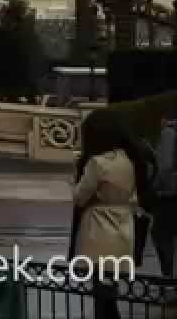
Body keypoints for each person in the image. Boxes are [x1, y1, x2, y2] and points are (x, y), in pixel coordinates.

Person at [72, 110, 154, 319]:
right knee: (110, 289)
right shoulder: (130, 160)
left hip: (98, 227)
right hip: (123, 224)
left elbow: (80, 197)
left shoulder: (97, 163)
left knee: (101, 292)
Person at [151, 108, 177, 278]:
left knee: (161, 235)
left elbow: (165, 166)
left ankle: (168, 278)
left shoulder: (169, 132)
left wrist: (156, 188)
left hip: (170, 195)